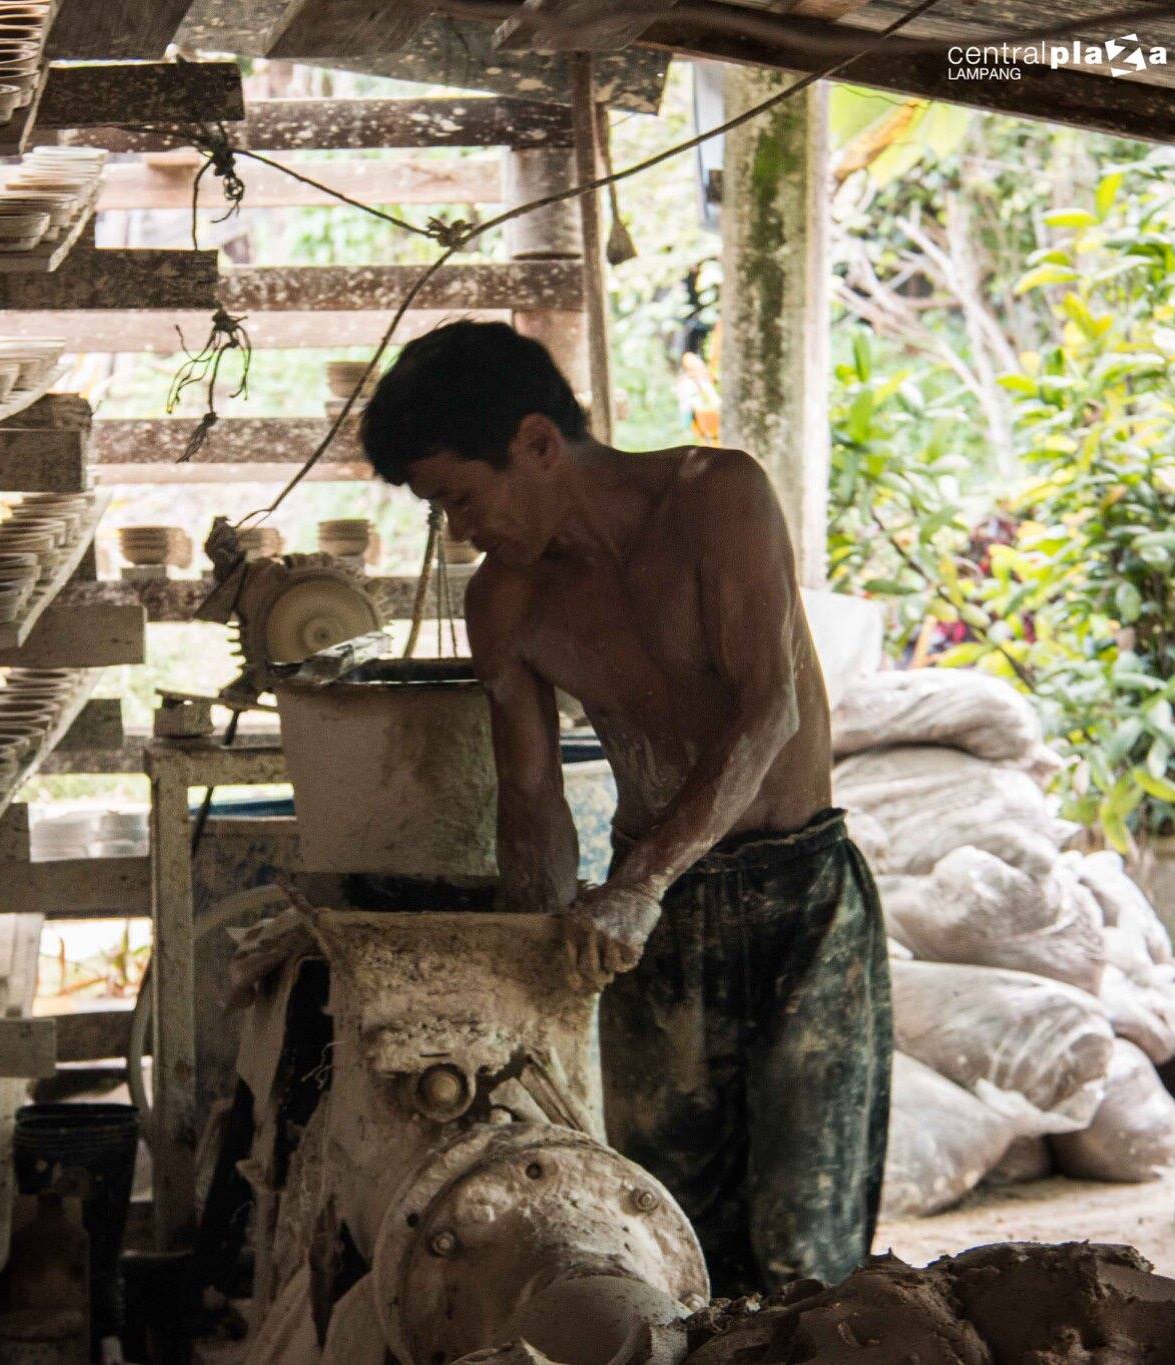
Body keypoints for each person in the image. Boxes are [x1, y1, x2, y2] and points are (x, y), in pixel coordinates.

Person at [357, 320, 891, 1298]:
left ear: (534, 443)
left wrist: (637, 883)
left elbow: (766, 707)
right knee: (669, 1239)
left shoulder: (714, 497)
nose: (460, 531)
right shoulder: (505, 603)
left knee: (804, 1251)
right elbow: (529, 800)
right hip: (654, 935)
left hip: (794, 898)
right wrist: (533, 972)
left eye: (458, 499)